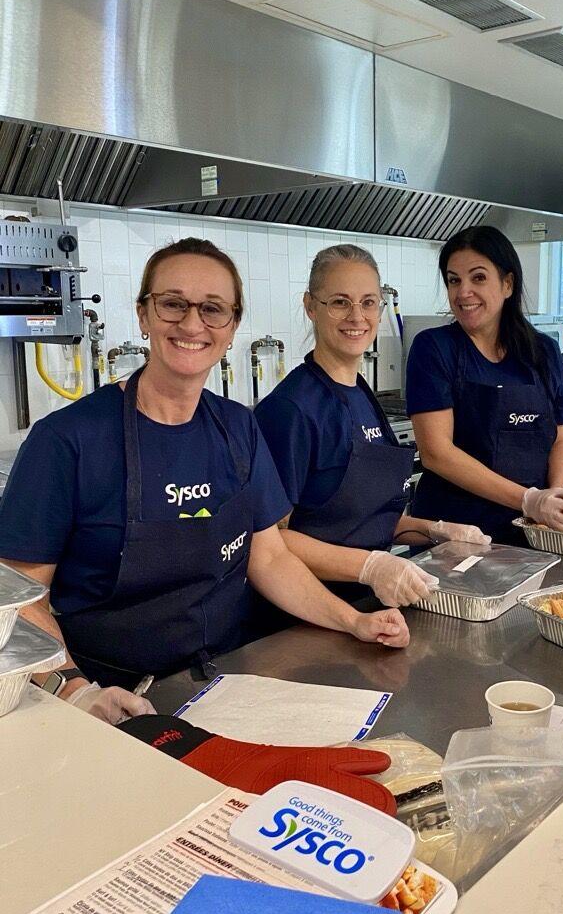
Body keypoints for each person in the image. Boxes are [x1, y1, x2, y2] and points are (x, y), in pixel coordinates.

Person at [0, 238, 408, 725]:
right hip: (112, 701)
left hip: (229, 682)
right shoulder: (67, 441)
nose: (192, 324)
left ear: (232, 326)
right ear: (144, 315)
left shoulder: (238, 427)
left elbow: (270, 555)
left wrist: (354, 621)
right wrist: (71, 688)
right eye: (173, 304)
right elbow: (19, 599)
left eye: (213, 309)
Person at [255, 244, 489, 607]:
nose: (356, 316)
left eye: (368, 302)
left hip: (371, 604)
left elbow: (362, 519)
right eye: (339, 302)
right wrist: (369, 565)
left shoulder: (363, 397)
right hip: (305, 611)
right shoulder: (290, 410)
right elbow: (271, 539)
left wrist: (434, 529)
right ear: (310, 306)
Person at [405, 225, 563, 544]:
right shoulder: (434, 348)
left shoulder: (543, 352)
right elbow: (436, 453)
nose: (463, 292)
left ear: (508, 283)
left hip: (531, 534)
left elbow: (560, 440)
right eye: (454, 280)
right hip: (458, 538)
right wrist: (529, 500)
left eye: (478, 278)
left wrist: (553, 498)